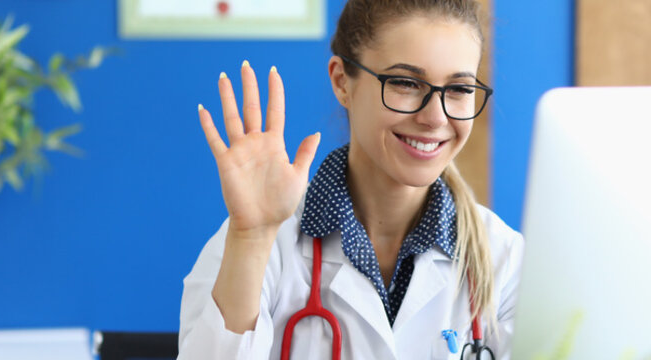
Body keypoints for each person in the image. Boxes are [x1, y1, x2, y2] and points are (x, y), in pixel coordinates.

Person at [177, 0, 524, 358]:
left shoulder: (507, 262)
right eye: (405, 83)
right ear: (343, 82)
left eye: (459, 90)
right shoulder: (260, 244)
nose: (435, 117)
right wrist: (250, 240)